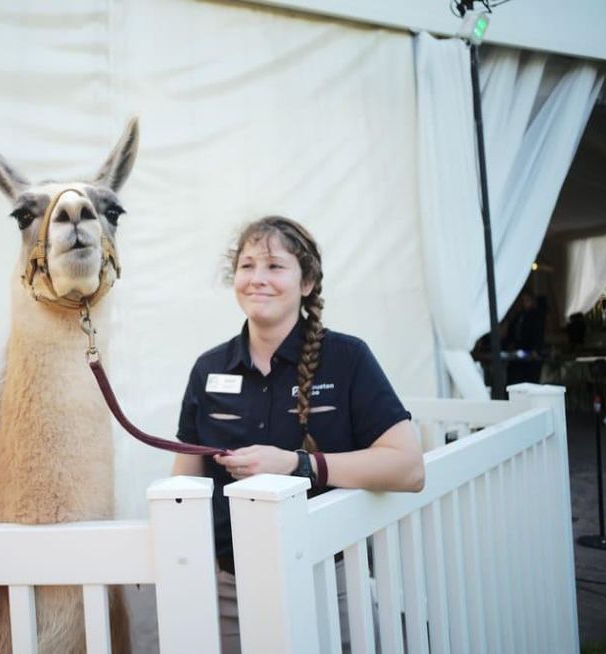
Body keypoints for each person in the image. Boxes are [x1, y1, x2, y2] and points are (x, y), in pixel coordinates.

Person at [172, 215, 425, 653]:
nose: (257, 279)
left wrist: (296, 464)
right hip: (229, 590)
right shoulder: (208, 369)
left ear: (306, 282)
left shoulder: (347, 358)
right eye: (247, 266)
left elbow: (408, 467)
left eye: (274, 266)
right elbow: (183, 481)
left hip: (330, 578)